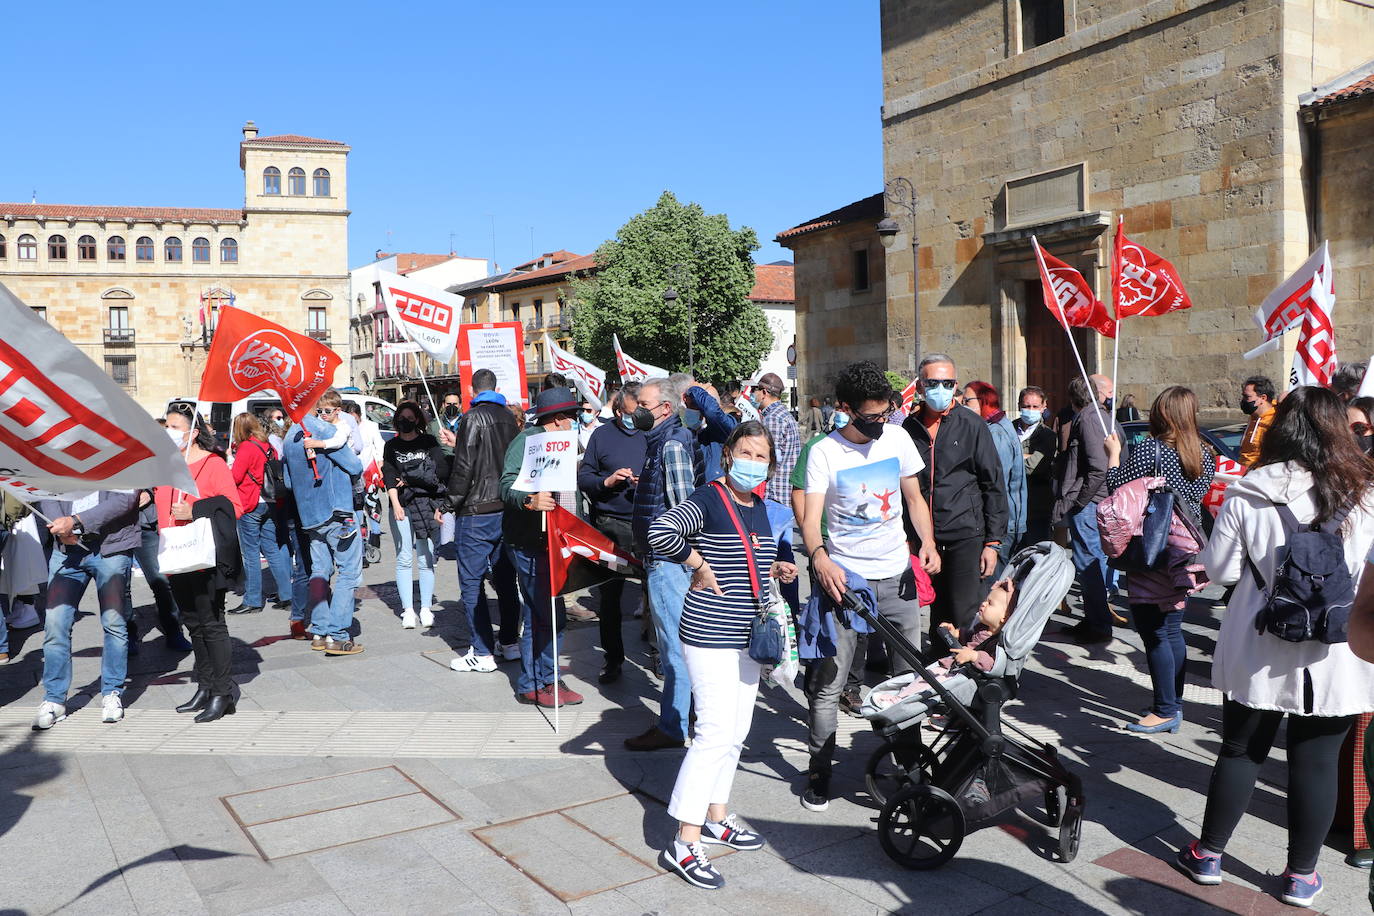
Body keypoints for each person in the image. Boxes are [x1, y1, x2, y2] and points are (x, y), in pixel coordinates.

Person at [1174, 386, 1374, 908]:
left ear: (1282, 427)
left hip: (1260, 639)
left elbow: (1220, 570)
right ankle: (1301, 876)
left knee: (1241, 750)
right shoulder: (1367, 492)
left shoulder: (1249, 489)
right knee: (1316, 761)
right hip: (1336, 647)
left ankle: (1209, 854)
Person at [649, 421, 796, 889]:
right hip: (710, 633)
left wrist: (773, 566)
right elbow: (661, 531)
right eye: (747, 453)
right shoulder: (710, 497)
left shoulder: (756, 506)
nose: (754, 463)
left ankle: (716, 817)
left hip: (747, 636)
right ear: (729, 455)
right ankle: (684, 841)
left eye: (762, 457)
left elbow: (743, 555)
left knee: (736, 732)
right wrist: (697, 564)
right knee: (713, 732)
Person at [804, 360, 941, 812]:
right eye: (871, 417)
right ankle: (820, 772)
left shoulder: (898, 438)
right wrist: (820, 558)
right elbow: (810, 518)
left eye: (886, 413)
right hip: (847, 583)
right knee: (829, 683)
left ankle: (909, 770)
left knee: (907, 682)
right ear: (845, 409)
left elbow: (914, 497)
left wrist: (927, 543)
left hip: (896, 577)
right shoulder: (825, 452)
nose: (880, 424)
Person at [1104, 387, 1215, 734]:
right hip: (1185, 551)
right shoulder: (1205, 455)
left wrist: (1113, 453)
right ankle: (1173, 703)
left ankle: (1165, 708)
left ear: (1161, 413)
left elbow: (1117, 490)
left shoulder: (1149, 450)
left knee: (1153, 632)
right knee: (1171, 630)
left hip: (1152, 548)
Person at [902, 354, 1008, 648]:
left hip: (966, 534)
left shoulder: (972, 425)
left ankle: (967, 673)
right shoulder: (908, 429)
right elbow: (904, 489)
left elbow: (993, 484)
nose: (940, 388)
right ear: (921, 386)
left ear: (956, 385)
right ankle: (938, 672)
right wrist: (909, 536)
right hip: (925, 537)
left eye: (947, 383)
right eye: (933, 382)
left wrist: (992, 543)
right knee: (935, 611)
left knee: (966, 613)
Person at [628, 376, 705, 749]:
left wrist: (685, 559)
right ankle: (685, 716)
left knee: (675, 647)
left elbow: (682, 508)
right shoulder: (661, 441)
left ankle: (674, 726)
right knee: (677, 645)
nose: (636, 410)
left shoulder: (671, 444)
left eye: (643, 403)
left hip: (669, 561)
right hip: (663, 560)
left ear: (664, 409)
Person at [157, 407, 245, 722]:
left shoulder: (213, 464)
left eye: (174, 426)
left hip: (205, 556)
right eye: (166, 425)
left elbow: (234, 507)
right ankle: (205, 685)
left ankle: (223, 692)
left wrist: (193, 510)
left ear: (192, 432)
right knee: (192, 622)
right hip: (176, 554)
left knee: (212, 622)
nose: (167, 430)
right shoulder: (166, 466)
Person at [501, 387, 586, 707]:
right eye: (572, 417)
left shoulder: (562, 442)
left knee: (553, 612)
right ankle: (533, 683)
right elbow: (505, 484)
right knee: (543, 613)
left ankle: (547, 677)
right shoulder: (527, 442)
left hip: (556, 539)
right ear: (558, 419)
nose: (574, 423)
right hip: (529, 541)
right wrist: (529, 500)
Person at [32, 490, 140, 729]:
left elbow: (127, 498)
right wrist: (60, 526)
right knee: (55, 623)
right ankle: (54, 698)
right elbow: (47, 490)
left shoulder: (122, 451)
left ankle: (112, 692)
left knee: (114, 622)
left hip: (112, 547)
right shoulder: (58, 452)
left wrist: (77, 521)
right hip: (66, 551)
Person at [447, 368, 522, 671]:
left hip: (477, 511)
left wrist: (449, 502)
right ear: (496, 387)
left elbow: (464, 465)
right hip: (506, 507)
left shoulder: (472, 417)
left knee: (471, 583)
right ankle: (509, 641)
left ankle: (482, 651)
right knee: (506, 580)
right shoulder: (509, 417)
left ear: (471, 389)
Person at [282, 390, 365, 656]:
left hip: (309, 515)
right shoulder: (322, 430)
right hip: (336, 511)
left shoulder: (289, 436)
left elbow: (286, 482)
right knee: (348, 572)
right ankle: (338, 634)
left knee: (319, 570)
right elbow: (353, 466)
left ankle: (318, 629)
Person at [578, 382, 647, 684]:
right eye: (630, 413)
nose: (635, 418)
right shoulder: (601, 435)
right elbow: (585, 477)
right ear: (618, 409)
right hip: (610, 525)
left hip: (647, 524)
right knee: (610, 597)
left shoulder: (652, 433)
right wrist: (607, 482)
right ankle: (613, 658)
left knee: (656, 595)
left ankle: (658, 654)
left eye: (640, 412)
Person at [1053, 374, 1124, 645]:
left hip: (1090, 503)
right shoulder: (1098, 416)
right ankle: (1094, 618)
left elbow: (1098, 467)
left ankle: (1098, 624)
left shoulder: (1091, 418)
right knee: (1089, 562)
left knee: (1088, 562)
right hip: (1093, 501)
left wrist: (1080, 501)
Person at [382, 401, 448, 630]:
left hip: (425, 504)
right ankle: (408, 609)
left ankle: (426, 607)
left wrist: (409, 478)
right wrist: (395, 503)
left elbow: (439, 471)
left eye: (410, 418)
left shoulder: (428, 442)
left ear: (418, 420)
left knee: (426, 556)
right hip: (400, 504)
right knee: (403, 557)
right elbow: (389, 474)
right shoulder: (391, 446)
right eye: (402, 418)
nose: (405, 422)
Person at [228, 413, 293, 616]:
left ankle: (253, 600)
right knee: (272, 549)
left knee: (251, 555)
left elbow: (236, 477)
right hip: (270, 501)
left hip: (250, 502)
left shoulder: (246, 447)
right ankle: (287, 595)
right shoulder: (267, 445)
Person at [964, 381, 1026, 569]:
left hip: (1003, 525)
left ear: (982, 401)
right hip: (1003, 522)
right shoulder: (993, 427)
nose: (963, 405)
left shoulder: (996, 432)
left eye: (967, 401)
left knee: (993, 585)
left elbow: (994, 482)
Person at [1015, 386, 1058, 548]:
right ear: (1019, 405)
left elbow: (1033, 467)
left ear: (1043, 407)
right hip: (1012, 508)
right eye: (1026, 406)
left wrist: (1011, 456)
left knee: (1035, 554)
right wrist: (1025, 456)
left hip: (1037, 507)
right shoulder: (1008, 429)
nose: (1030, 410)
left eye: (1035, 407)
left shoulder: (1047, 435)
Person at [1238, 375, 1277, 469]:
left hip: (1261, 475)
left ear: (1263, 398)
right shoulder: (1253, 418)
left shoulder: (1276, 420)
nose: (1243, 401)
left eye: (1247, 397)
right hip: (1242, 473)